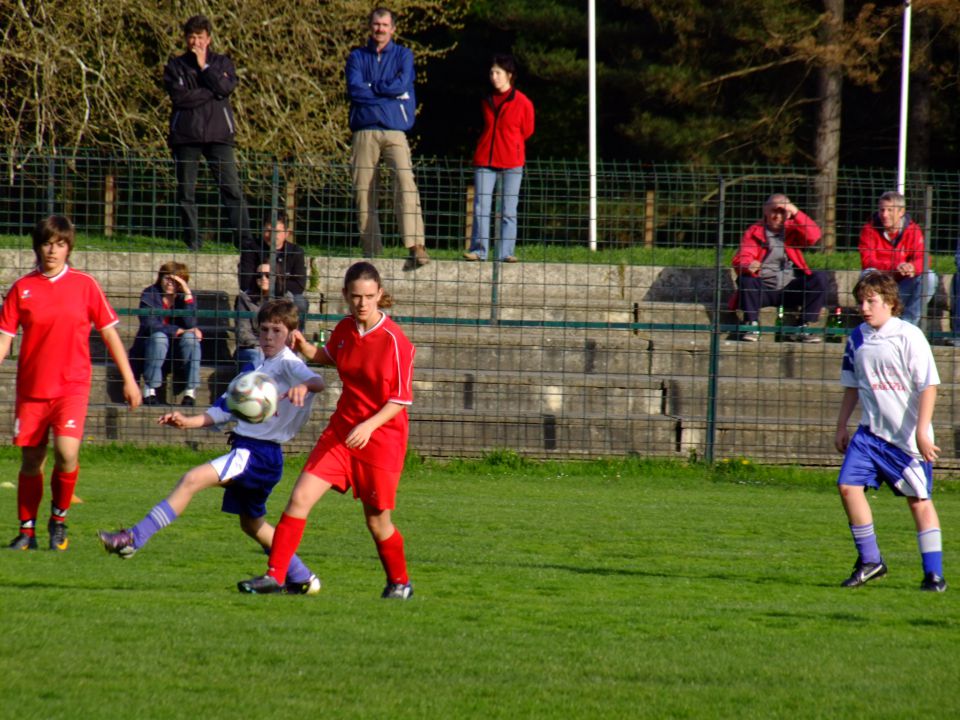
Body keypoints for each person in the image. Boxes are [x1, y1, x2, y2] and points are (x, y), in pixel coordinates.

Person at [98, 299, 327, 593]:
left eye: (277, 330)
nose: (269, 337)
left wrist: (304, 386)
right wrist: (186, 420)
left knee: (191, 479)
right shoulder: (257, 366)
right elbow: (225, 409)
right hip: (257, 454)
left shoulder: (288, 363)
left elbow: (317, 380)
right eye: (265, 330)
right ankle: (303, 576)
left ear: (292, 334)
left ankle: (133, 537)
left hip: (256, 454)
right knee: (251, 524)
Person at [238, 261, 415, 599]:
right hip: (342, 433)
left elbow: (401, 400)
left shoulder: (396, 342)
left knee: (378, 523)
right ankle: (276, 576)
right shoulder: (346, 328)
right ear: (345, 296)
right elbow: (334, 356)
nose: (362, 303)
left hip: (381, 439)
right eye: (355, 297)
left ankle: (399, 582)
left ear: (380, 294)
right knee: (299, 498)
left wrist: (369, 425)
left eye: (368, 296)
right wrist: (307, 350)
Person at [0, 215, 141, 551]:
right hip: (32, 390)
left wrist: (129, 379)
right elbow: (4, 338)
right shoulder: (22, 288)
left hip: (71, 387)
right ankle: (27, 531)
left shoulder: (85, 285)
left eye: (60, 244)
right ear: (38, 246)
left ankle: (58, 521)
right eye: (47, 243)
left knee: (66, 452)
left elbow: (110, 333)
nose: (53, 250)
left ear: (68, 248)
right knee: (32, 460)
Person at [834, 272, 946, 592]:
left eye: (872, 301)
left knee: (919, 503)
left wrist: (922, 432)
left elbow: (929, 386)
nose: (865, 307)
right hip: (870, 435)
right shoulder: (857, 338)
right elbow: (852, 387)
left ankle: (934, 575)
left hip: (905, 440)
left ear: (891, 302)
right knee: (847, 487)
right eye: (861, 302)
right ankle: (871, 561)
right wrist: (841, 425)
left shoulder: (909, 336)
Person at [346, 7, 429, 271]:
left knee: (405, 179)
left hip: (395, 129)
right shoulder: (357, 56)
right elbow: (355, 90)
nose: (380, 29)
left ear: (393, 28)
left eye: (384, 25)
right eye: (375, 24)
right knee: (363, 189)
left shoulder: (404, 55)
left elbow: (401, 84)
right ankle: (371, 251)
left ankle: (415, 245)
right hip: (364, 129)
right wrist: (385, 93)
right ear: (370, 27)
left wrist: (373, 88)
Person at [164, 14, 253, 252]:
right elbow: (179, 98)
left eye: (200, 37)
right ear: (185, 39)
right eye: (191, 37)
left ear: (209, 39)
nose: (196, 42)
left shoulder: (222, 63)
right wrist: (211, 91)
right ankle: (193, 241)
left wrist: (205, 68)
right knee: (186, 191)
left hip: (219, 136)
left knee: (232, 190)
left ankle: (245, 242)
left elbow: (226, 87)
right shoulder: (175, 66)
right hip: (186, 137)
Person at [463, 54, 535, 264]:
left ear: (509, 75)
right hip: (485, 159)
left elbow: (527, 130)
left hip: (512, 161)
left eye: (498, 73)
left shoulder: (523, 102)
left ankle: (505, 253)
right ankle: (479, 250)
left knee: (508, 210)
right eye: (491, 72)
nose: (493, 77)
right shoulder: (485, 99)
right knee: (480, 207)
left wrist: (511, 145)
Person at [731, 193, 827, 342]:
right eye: (773, 211)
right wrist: (748, 265)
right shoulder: (755, 231)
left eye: (782, 211)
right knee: (746, 280)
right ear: (765, 211)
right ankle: (751, 324)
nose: (777, 216)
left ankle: (803, 326)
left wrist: (795, 211)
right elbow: (743, 256)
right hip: (763, 289)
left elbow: (814, 236)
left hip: (790, 288)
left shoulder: (793, 230)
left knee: (819, 278)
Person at [858, 190, 937, 328]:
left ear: (901, 212)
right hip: (880, 286)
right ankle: (874, 321)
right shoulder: (869, 229)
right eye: (882, 210)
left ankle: (907, 325)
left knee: (929, 277)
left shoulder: (913, 230)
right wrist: (896, 266)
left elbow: (923, 258)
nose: (884, 214)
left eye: (890, 210)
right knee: (868, 273)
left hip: (903, 287)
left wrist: (912, 267)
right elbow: (867, 260)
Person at [131, 261, 202, 407]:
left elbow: (190, 324)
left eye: (175, 280)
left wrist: (187, 294)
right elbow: (149, 324)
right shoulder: (149, 293)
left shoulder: (186, 297)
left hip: (177, 349)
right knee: (159, 337)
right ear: (160, 278)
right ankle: (150, 390)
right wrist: (177, 331)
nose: (170, 283)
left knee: (191, 338)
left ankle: (190, 392)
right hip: (151, 346)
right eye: (167, 278)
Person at [238, 211, 309, 327]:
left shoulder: (295, 251)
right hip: (258, 295)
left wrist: (274, 282)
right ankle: (248, 342)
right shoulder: (250, 248)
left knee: (300, 301)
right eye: (268, 230)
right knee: (243, 298)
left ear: (287, 233)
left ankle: (295, 339)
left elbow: (299, 285)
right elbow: (245, 281)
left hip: (285, 297)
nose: (271, 235)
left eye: (277, 231)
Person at [234, 263, 271, 368]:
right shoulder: (245, 298)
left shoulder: (286, 298)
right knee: (258, 357)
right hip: (251, 348)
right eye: (259, 275)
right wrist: (263, 347)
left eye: (268, 275)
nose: (263, 278)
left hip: (278, 348)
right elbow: (243, 332)